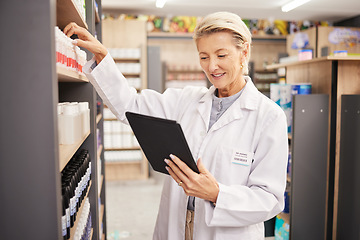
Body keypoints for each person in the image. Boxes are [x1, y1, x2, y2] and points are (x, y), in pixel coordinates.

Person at [64, 11, 288, 240]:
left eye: (221, 55)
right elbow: (130, 106)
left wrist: (217, 194)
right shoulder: (187, 100)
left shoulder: (268, 117)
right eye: (203, 57)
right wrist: (103, 57)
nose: (212, 67)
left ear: (245, 52)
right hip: (177, 227)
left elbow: (269, 199)